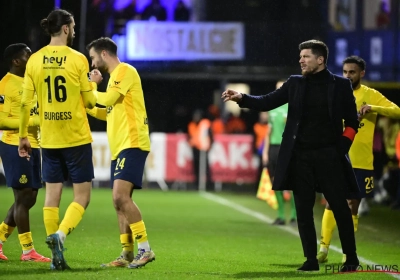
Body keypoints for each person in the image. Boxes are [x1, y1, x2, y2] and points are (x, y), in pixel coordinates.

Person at [222, 40, 360, 272]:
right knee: (304, 210)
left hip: (330, 156)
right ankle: (310, 260)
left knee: (340, 208)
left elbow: (353, 123)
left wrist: (340, 150)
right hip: (300, 158)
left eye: (306, 56)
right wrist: (243, 98)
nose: (301, 60)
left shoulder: (340, 85)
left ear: (320, 59)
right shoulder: (294, 83)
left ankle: (352, 258)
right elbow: (267, 102)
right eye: (300, 56)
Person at [18, 9, 97, 270]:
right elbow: (88, 102)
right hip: (75, 137)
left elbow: (25, 104)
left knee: (51, 197)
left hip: (48, 139)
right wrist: (94, 84)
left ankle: (56, 259)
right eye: (72, 27)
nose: (73, 31)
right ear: (65, 28)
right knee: (82, 196)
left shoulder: (35, 60)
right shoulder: (78, 59)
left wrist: (22, 137)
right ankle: (60, 235)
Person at [317, 55, 400, 263]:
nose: (347, 76)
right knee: (331, 202)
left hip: (362, 162)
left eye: (352, 72)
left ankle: (348, 252)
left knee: (353, 205)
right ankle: (323, 249)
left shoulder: (370, 95)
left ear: (361, 73)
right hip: (338, 157)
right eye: (344, 72)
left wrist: (373, 108)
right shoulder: (335, 93)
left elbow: (397, 111)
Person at [86, 37, 155, 269]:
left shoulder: (125, 70)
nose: (93, 65)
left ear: (104, 53)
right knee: (119, 203)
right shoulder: (115, 78)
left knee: (119, 196)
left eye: (93, 58)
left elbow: (109, 100)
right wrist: (88, 106)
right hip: (120, 146)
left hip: (132, 142)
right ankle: (126, 253)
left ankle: (145, 249)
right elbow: (109, 112)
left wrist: (92, 87)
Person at [0, 43, 48, 262]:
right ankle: (28, 251)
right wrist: (32, 122)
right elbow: (0, 120)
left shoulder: (32, 83)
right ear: (16, 61)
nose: (31, 57)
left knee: (29, 198)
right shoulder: (5, 85)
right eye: (27, 55)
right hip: (13, 144)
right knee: (23, 196)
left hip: (35, 144)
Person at [262, 81, 296, 226]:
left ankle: (295, 215)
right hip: (274, 149)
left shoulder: (293, 107)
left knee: (293, 182)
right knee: (276, 182)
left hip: (287, 147)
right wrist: (265, 151)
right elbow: (268, 132)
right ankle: (281, 215)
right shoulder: (272, 109)